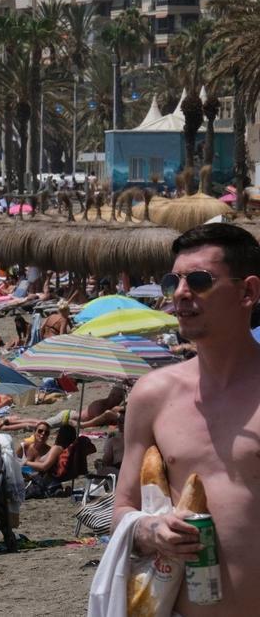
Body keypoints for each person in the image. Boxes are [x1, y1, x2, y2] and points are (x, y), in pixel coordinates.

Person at [113, 223, 260, 616]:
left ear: (248, 292)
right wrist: (150, 530)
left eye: (199, 280)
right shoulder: (153, 395)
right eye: (172, 281)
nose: (180, 293)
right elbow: (122, 508)